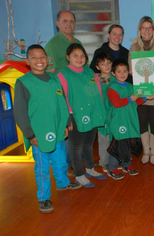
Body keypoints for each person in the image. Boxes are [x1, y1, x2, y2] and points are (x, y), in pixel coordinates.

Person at [14, 45, 82, 213]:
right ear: (27, 61)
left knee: (60, 160)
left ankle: (63, 183)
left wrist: (66, 122)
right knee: (42, 167)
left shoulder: (54, 79)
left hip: (58, 129)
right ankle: (43, 197)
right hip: (39, 134)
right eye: (34, 57)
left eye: (42, 57)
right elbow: (20, 112)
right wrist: (30, 134)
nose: (39, 60)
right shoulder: (23, 82)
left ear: (48, 59)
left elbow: (62, 102)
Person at [57, 43, 107, 187]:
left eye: (82, 56)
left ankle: (90, 169)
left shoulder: (89, 72)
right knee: (76, 146)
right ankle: (79, 174)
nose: (79, 59)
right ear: (68, 57)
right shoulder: (63, 75)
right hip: (75, 116)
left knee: (88, 144)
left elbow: (98, 93)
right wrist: (68, 120)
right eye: (75, 56)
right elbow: (62, 99)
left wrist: (100, 112)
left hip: (92, 114)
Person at [45, 10, 81, 178]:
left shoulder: (77, 42)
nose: (69, 23)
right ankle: (68, 165)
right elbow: (50, 71)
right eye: (65, 20)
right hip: (62, 93)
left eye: (72, 21)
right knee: (67, 128)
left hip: (77, 93)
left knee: (77, 127)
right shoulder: (53, 44)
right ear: (57, 23)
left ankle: (77, 159)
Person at [107, 59, 154, 178]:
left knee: (128, 142)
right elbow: (117, 103)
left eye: (124, 71)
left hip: (130, 119)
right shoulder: (112, 87)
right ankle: (112, 168)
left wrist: (146, 98)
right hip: (119, 121)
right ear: (113, 73)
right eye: (119, 71)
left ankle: (126, 164)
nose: (122, 74)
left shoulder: (130, 86)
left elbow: (136, 102)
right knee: (118, 143)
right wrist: (131, 98)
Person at [128, 16, 154, 164]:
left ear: (153, 30)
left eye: (149, 27)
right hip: (140, 93)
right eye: (143, 27)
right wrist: (131, 70)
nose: (146, 30)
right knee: (142, 123)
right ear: (139, 30)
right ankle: (146, 151)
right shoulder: (133, 48)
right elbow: (130, 70)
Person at [93, 52, 115, 173]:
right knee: (103, 139)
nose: (106, 66)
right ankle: (104, 162)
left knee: (114, 137)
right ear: (97, 67)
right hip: (102, 115)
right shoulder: (96, 80)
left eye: (108, 63)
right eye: (102, 64)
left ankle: (115, 160)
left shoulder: (116, 78)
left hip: (114, 114)